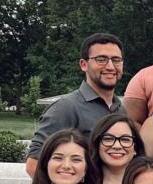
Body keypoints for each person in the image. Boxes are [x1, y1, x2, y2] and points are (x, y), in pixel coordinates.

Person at [26, 33, 124, 176]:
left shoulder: (123, 110)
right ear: (84, 65)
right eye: (101, 59)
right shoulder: (65, 108)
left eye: (116, 60)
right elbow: (34, 165)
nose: (110, 66)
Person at [88, 113, 145, 184]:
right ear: (97, 145)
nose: (117, 146)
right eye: (108, 139)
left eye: (125, 140)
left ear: (135, 147)